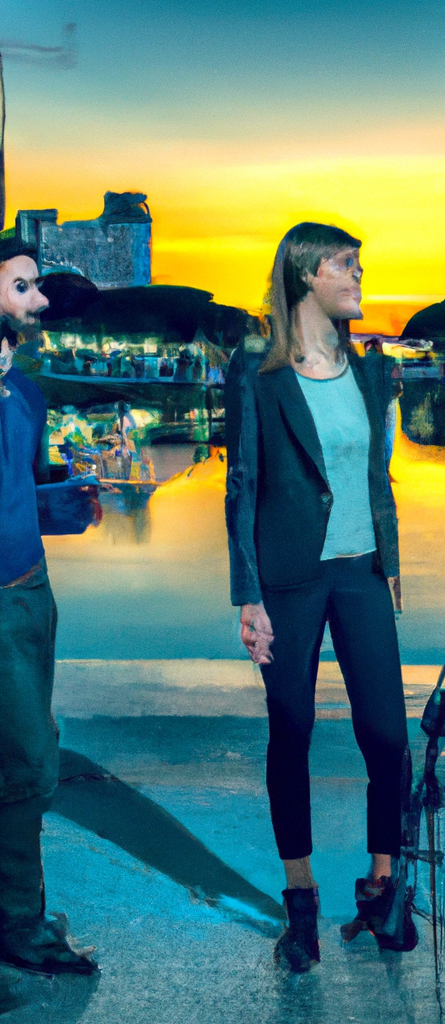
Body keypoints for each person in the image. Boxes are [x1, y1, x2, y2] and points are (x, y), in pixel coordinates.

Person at [225, 222, 414, 971]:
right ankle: (299, 901)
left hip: (361, 571)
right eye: (347, 264)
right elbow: (243, 486)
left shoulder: (370, 369)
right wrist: (248, 594)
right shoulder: (259, 373)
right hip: (291, 577)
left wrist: (391, 558)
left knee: (389, 739)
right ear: (306, 274)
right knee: (293, 732)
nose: (359, 276)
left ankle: (381, 887)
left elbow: (378, 474)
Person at [0, 240, 98, 975]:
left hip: (26, 594)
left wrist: (74, 501)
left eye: (37, 289)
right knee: (29, 758)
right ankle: (21, 929)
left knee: (27, 759)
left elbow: (19, 498)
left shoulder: (28, 393)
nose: (39, 303)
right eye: (23, 288)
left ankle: (18, 916)